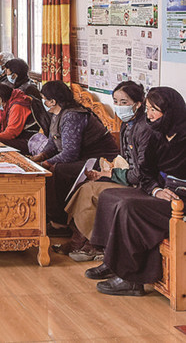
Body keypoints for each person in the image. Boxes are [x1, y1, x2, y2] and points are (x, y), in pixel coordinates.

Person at [87, 87, 186, 296]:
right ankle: (111, 262)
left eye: (155, 110)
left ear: (170, 111)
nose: (149, 115)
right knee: (109, 197)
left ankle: (131, 279)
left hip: (181, 200)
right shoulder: (157, 134)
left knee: (129, 207)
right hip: (163, 191)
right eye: (148, 109)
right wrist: (156, 190)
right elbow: (145, 172)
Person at [60, 81, 155, 261]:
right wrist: (107, 171)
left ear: (138, 104)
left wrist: (110, 174)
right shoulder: (127, 125)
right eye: (116, 102)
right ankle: (80, 239)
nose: (119, 106)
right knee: (85, 187)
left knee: (94, 192)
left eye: (124, 102)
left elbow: (140, 172)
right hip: (127, 175)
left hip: (140, 184)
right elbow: (125, 160)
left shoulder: (144, 128)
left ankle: (96, 244)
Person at [31, 81, 120, 233]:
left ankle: (60, 222)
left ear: (53, 101)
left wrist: (46, 163)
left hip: (100, 160)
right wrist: (40, 157)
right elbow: (53, 143)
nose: (44, 103)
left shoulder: (72, 116)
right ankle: (46, 215)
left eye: (45, 99)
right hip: (82, 157)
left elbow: (70, 153)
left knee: (57, 171)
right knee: (42, 167)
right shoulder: (57, 114)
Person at [0, 83, 37, 153]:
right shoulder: (9, 102)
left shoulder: (17, 107)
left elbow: (11, 133)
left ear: (0, 99)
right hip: (19, 136)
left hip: (29, 141)